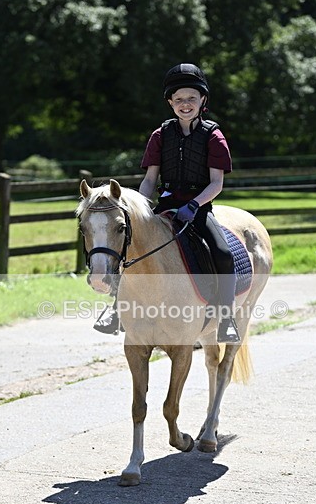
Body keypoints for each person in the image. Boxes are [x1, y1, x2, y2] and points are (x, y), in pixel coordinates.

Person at [94, 63, 240, 344]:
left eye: (192, 99)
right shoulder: (160, 135)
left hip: (197, 207)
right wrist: (142, 206)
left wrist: (195, 205)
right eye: (179, 99)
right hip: (165, 205)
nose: (185, 104)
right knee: (129, 248)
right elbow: (150, 179)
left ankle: (227, 317)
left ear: (203, 101)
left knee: (223, 253)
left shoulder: (214, 137)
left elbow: (216, 183)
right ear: (170, 102)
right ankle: (115, 310)